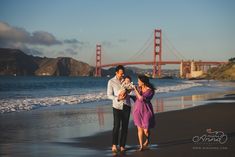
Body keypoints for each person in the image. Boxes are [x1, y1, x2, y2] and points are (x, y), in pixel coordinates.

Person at [107, 65, 131, 153]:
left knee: (125, 127)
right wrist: (118, 98)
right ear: (116, 73)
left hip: (126, 105)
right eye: (121, 73)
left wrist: (129, 90)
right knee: (116, 126)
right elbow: (109, 95)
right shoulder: (111, 81)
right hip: (116, 106)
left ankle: (122, 146)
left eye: (123, 73)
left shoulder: (126, 81)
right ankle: (114, 145)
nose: (122, 75)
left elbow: (130, 90)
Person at [132, 75, 155, 151]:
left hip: (146, 111)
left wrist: (135, 90)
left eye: (139, 81)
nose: (138, 82)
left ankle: (147, 140)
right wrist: (129, 96)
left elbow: (142, 99)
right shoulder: (139, 88)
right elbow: (137, 98)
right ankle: (141, 146)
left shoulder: (150, 90)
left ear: (143, 82)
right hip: (137, 110)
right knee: (139, 129)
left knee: (146, 130)